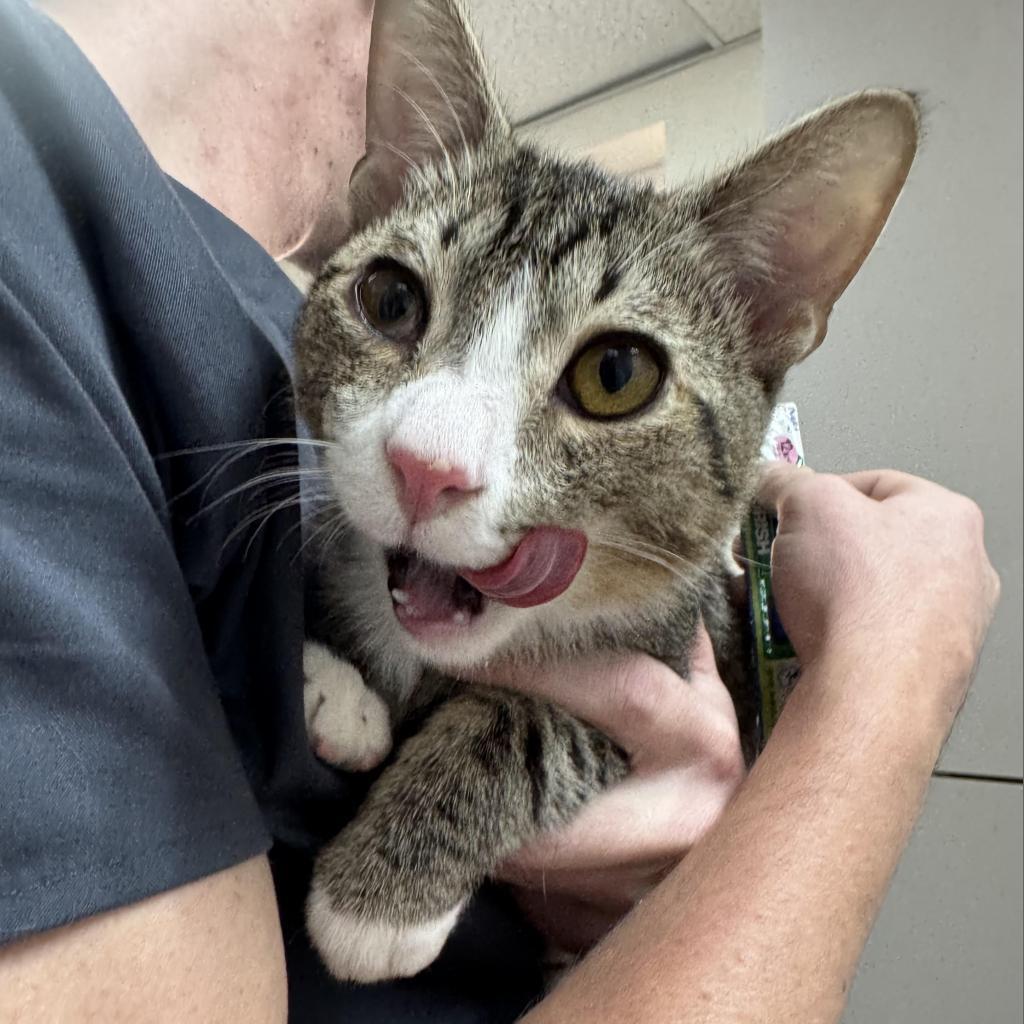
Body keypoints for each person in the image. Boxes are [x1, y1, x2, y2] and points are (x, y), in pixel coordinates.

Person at [0, 1, 999, 1022]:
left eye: (612, 374)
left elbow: (631, 738)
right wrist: (888, 684)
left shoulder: (221, 274)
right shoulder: (31, 189)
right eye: (394, 306)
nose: (430, 455)